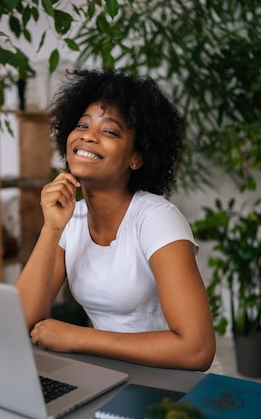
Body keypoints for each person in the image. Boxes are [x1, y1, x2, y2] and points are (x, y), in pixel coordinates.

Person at [15, 69, 220, 372]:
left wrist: (80, 338)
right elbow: (21, 322)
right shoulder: (71, 220)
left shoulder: (156, 219)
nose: (87, 135)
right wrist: (52, 228)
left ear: (136, 158)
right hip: (114, 376)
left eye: (109, 131)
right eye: (82, 125)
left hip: (178, 387)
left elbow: (196, 349)